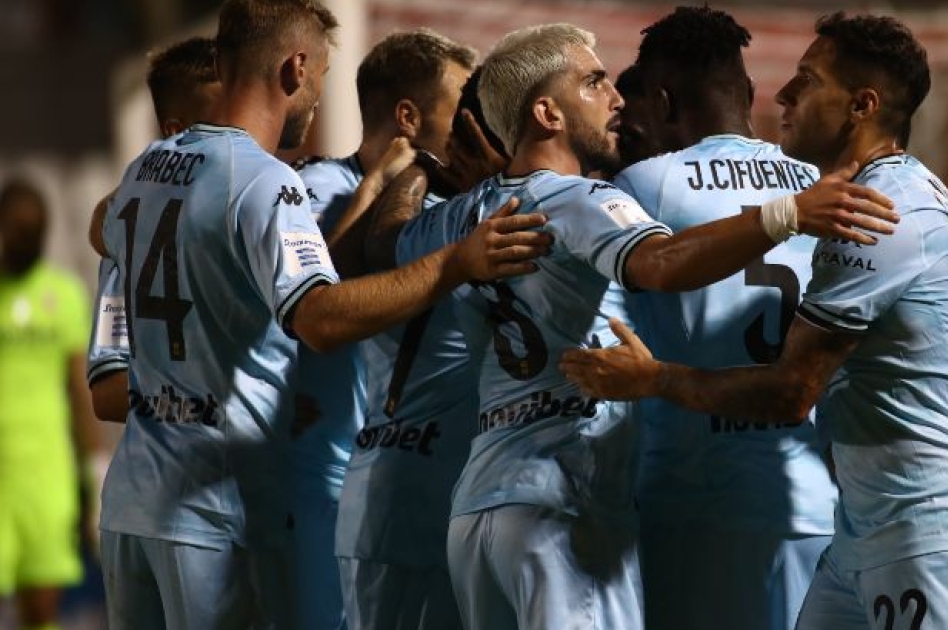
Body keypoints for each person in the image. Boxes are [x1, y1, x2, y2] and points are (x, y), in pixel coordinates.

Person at [375, 22, 896, 630]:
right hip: (585, 504)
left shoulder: (464, 217)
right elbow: (661, 262)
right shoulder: (596, 200)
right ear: (547, 113)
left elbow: (381, 246)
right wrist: (786, 214)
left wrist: (415, 168)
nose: (617, 98)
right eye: (594, 82)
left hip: (480, 509)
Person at [561, 12, 948, 630]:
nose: (783, 93)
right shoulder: (895, 192)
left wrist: (653, 379)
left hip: (926, 532)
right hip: (848, 523)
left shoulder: (875, 214)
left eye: (807, 80)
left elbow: (790, 391)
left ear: (862, 106)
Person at [95, 1, 549, 628]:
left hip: (132, 506)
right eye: (323, 76)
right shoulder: (264, 181)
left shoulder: (146, 169)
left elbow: (103, 233)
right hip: (219, 509)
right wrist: (456, 262)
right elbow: (318, 320)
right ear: (296, 68)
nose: (317, 97)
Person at [610, 8, 837, 630]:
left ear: (661, 100)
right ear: (749, 91)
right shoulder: (818, 186)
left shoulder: (643, 186)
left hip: (698, 501)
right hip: (817, 500)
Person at [289, 29, 476, 630]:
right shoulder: (320, 190)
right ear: (408, 118)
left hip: (381, 474)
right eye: (460, 108)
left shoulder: (437, 203)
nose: (472, 124)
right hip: (313, 476)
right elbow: (312, 308)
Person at [88, 36, 223, 418]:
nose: (238, 137)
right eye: (221, 124)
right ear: (175, 130)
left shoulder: (262, 207)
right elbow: (107, 393)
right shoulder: (128, 235)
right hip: (173, 456)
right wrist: (210, 402)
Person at [0, 178, 102, 630]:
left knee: (40, 611)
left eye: (33, 230)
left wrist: (95, 469)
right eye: (16, 229)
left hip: (46, 473)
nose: (25, 238)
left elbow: (79, 390)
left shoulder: (63, 295)